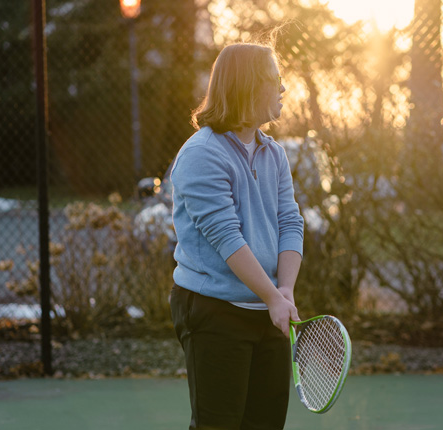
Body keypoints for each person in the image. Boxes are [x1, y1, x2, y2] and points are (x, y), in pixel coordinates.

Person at [168, 42, 305, 430]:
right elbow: (226, 237)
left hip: (268, 310)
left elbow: (290, 223)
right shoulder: (201, 154)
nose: (283, 88)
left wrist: (285, 292)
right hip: (213, 310)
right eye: (275, 78)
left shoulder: (273, 153)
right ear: (249, 85)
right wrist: (271, 295)